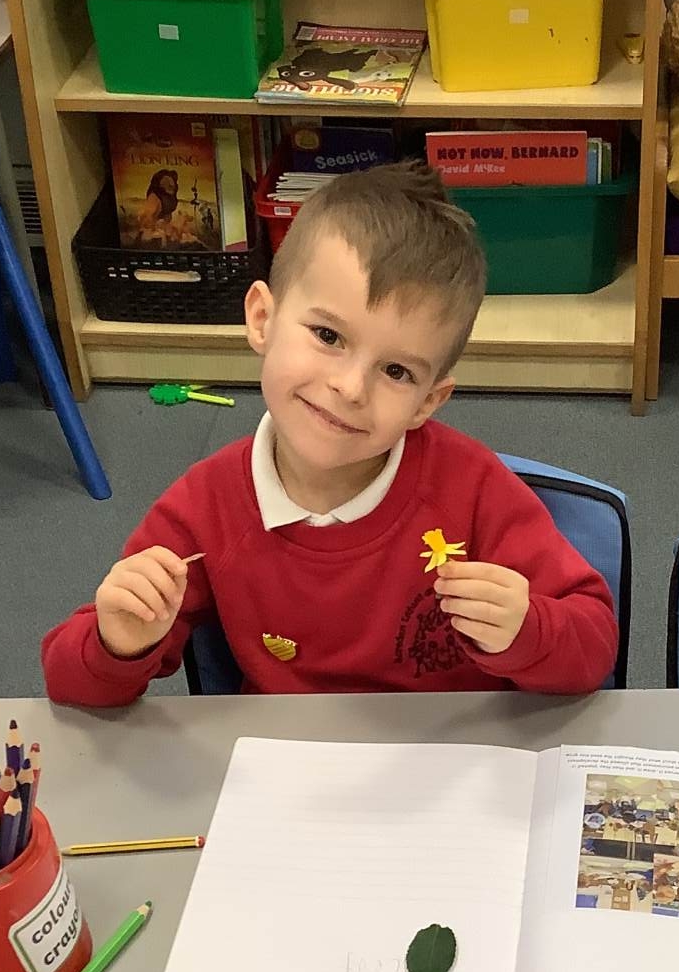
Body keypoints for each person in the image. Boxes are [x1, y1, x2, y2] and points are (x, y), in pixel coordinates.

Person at [42, 163, 618, 703]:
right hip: (285, 764)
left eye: (396, 372)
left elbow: (594, 646)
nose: (350, 387)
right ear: (262, 319)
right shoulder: (205, 506)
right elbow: (69, 684)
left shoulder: (473, 492)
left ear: (428, 402)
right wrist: (119, 643)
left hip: (444, 761)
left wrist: (526, 630)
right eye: (328, 336)